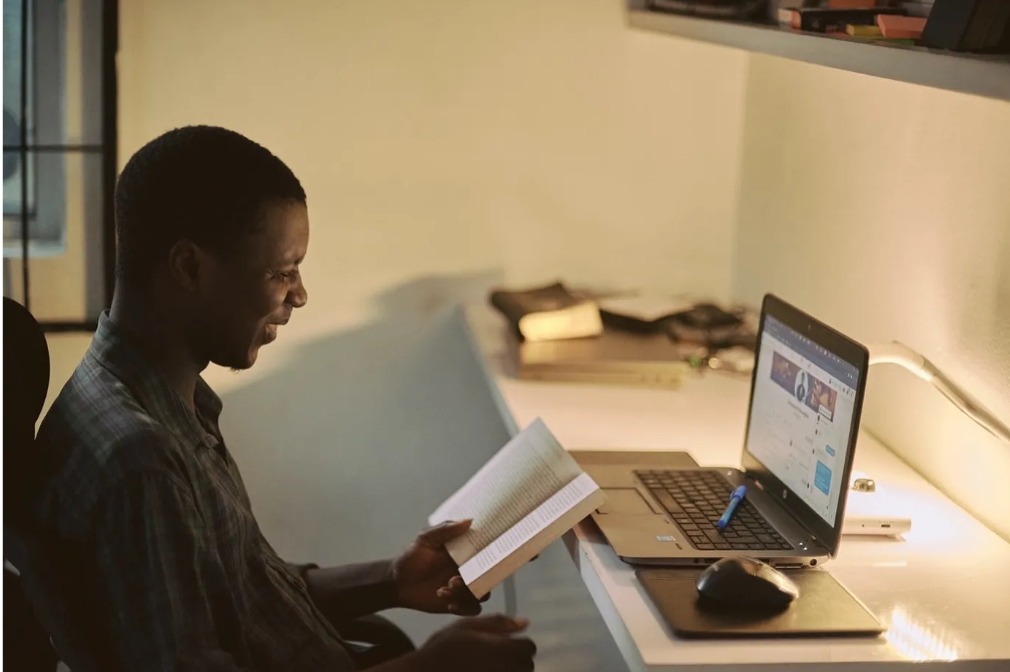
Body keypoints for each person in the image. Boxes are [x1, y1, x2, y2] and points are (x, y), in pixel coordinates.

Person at [30, 126, 537, 672]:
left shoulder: (164, 402)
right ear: (190, 268)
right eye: (282, 272)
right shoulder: (141, 463)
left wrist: (392, 579)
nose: (299, 295)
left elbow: (247, 597)